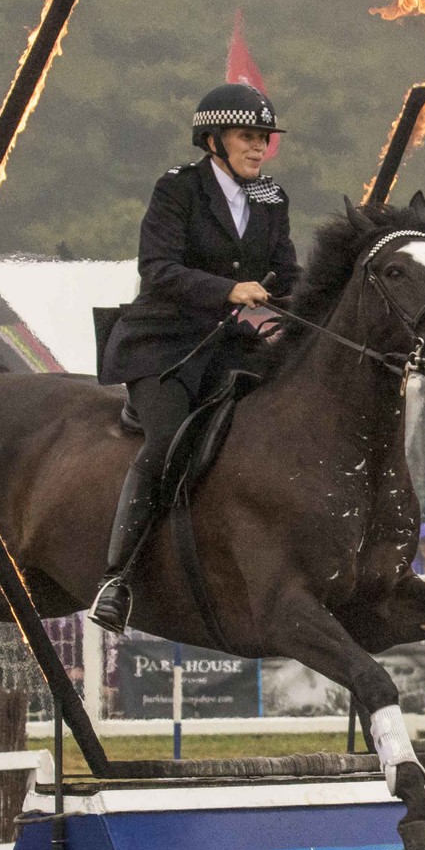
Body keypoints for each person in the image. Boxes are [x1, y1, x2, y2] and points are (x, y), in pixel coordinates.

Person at [92, 83, 299, 632]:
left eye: (263, 139)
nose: (259, 148)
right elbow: (157, 268)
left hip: (231, 346)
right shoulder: (178, 189)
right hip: (165, 345)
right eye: (247, 137)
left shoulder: (271, 198)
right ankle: (118, 579)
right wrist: (227, 291)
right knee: (168, 444)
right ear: (213, 140)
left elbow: (289, 274)